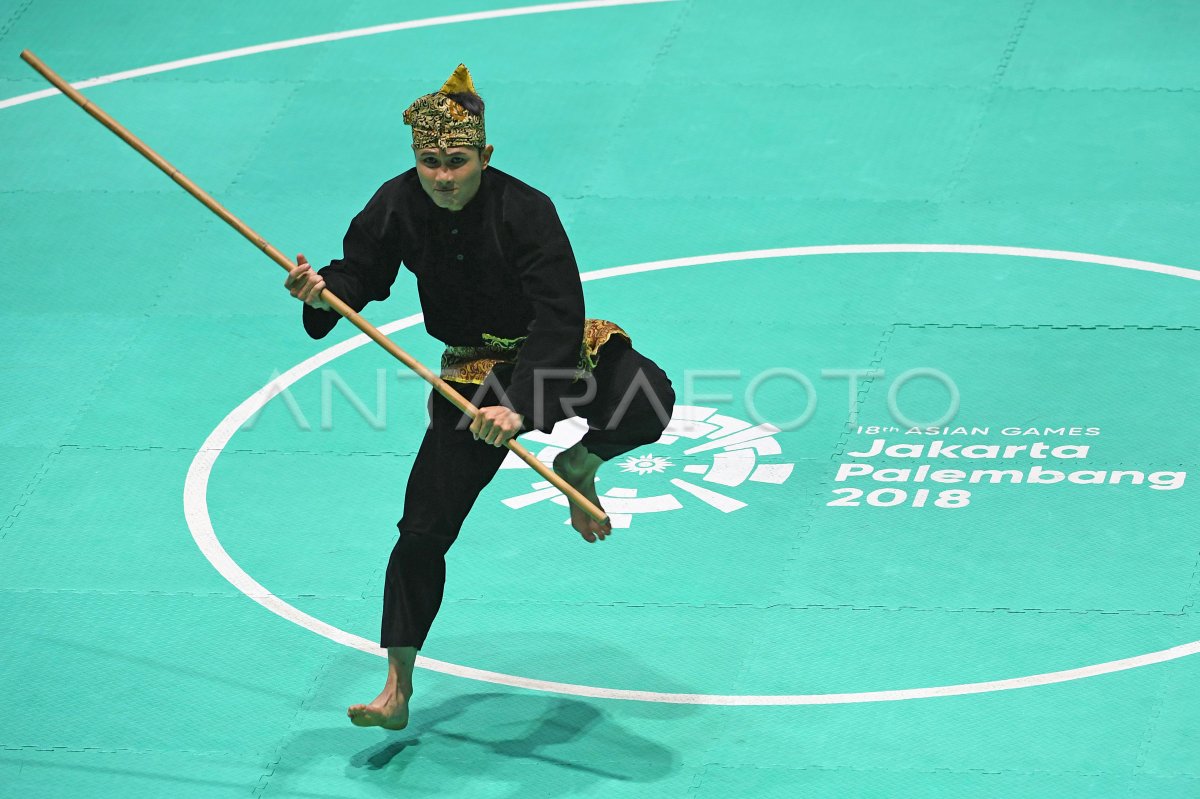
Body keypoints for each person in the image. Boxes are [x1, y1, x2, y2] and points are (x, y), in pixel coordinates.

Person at [283, 64, 675, 730]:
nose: (442, 175)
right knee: (420, 530)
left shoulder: (526, 209)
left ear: (484, 158)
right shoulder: (396, 202)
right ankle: (397, 685)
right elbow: (361, 273)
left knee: (649, 397)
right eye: (429, 160)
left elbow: (559, 310)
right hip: (469, 374)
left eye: (456, 161)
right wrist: (323, 293)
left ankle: (581, 464)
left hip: (550, 354)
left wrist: (521, 406)